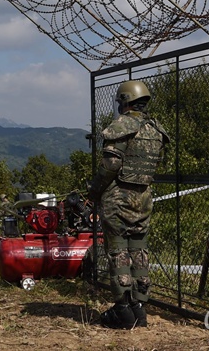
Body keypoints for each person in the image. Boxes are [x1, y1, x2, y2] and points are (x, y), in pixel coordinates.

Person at [88, 80, 169, 329]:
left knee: (118, 250)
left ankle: (122, 309)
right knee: (139, 248)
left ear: (125, 100)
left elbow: (111, 165)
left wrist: (95, 190)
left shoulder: (123, 124)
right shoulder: (155, 129)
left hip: (118, 198)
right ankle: (139, 307)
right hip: (143, 198)